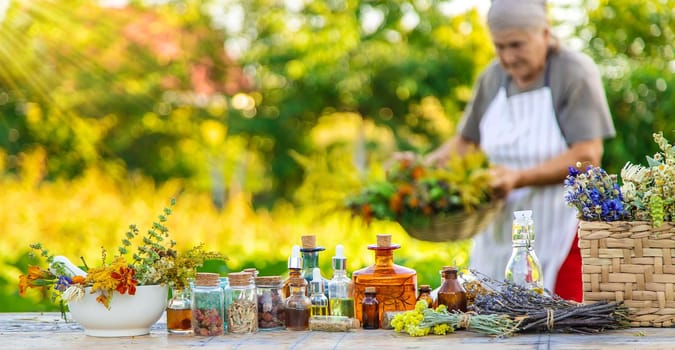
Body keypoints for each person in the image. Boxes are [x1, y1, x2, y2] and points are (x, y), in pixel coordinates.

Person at [424, 0, 615, 301]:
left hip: (559, 236)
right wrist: (419, 169)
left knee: (560, 335)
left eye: (516, 45)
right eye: (499, 46)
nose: (508, 58)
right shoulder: (492, 78)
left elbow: (587, 157)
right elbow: (464, 143)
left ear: (545, 33)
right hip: (497, 233)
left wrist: (518, 178)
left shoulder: (573, 72)